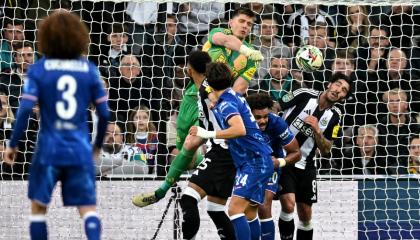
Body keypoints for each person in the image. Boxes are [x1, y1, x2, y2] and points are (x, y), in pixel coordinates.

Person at [3, 11, 109, 240]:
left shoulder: (39, 69)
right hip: (79, 149)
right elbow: (104, 113)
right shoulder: (89, 69)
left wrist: (13, 144)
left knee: (39, 209)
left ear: (46, 37)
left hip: (49, 149)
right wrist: (97, 145)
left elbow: (23, 111)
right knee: (88, 209)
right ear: (79, 36)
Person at [189, 62, 273, 240]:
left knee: (234, 209)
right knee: (249, 214)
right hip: (257, 159)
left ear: (210, 83)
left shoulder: (226, 104)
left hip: (254, 161)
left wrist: (208, 133)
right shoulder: (232, 95)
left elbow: (239, 129)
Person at [277, 73, 352, 240]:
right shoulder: (304, 94)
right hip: (285, 159)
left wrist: (318, 131)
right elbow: (276, 105)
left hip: (306, 165)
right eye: (338, 84)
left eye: (344, 90)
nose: (339, 90)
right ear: (329, 84)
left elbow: (326, 150)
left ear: (343, 98)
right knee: (288, 205)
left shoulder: (335, 116)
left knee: (305, 214)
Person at [132, 51, 211, 206]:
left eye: (187, 65)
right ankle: (206, 162)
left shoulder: (207, 89)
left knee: (188, 148)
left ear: (190, 69)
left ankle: (160, 192)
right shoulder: (191, 83)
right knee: (187, 161)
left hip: (197, 124)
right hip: (182, 131)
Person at [246, 93, 301, 240]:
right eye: (258, 117)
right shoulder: (239, 121)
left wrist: (278, 162)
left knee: (264, 205)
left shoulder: (277, 124)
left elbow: (296, 153)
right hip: (247, 165)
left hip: (271, 166)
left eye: (266, 116)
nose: (263, 121)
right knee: (244, 209)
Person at [202, 7, 263, 94]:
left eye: (249, 24)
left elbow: (240, 87)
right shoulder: (218, 32)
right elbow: (226, 40)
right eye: (241, 21)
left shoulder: (252, 55)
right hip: (196, 93)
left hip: (222, 97)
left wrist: (223, 100)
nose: (245, 26)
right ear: (230, 22)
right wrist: (246, 51)